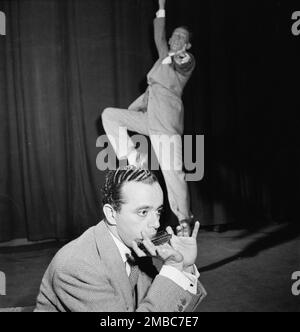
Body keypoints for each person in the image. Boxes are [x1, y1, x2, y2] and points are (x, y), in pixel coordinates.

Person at [35, 166, 206, 312]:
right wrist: (173, 269)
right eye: (143, 212)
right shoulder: (78, 267)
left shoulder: (134, 246)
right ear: (111, 214)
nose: (156, 223)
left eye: (158, 211)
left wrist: (184, 267)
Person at [101, 0, 196, 230]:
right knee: (110, 116)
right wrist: (161, 6)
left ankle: (184, 220)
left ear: (188, 44)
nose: (176, 39)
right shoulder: (164, 54)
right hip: (148, 116)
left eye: (182, 38)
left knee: (174, 177)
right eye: (175, 36)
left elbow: (186, 63)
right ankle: (134, 158)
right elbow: (159, 37)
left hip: (165, 125)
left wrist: (183, 57)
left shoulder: (183, 63)